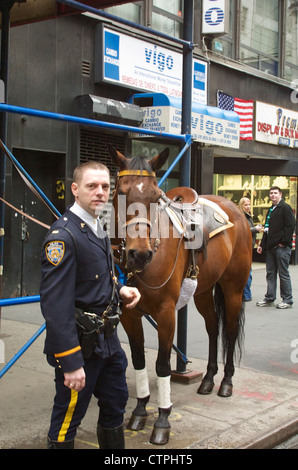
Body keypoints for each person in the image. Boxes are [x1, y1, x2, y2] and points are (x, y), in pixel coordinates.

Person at [40, 160, 141, 449]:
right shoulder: (64, 236)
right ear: (75, 189)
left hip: (107, 343)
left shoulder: (97, 225)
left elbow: (96, 276)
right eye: (92, 186)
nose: (100, 192)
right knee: (68, 418)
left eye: (105, 187)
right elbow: (55, 306)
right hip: (80, 347)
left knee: (115, 406)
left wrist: (120, 289)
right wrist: (71, 363)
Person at [256, 186, 295, 309]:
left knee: (283, 274)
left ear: (280, 195)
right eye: (271, 193)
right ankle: (269, 298)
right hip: (270, 248)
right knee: (270, 274)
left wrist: (283, 242)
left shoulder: (285, 208)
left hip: (281, 248)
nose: (273, 195)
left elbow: (291, 226)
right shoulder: (271, 209)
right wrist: (262, 245)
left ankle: (287, 300)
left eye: (275, 193)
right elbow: (266, 229)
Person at [238, 197, 263, 301]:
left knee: (247, 272)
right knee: (247, 272)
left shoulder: (248, 216)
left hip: (248, 247)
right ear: (241, 205)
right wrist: (255, 229)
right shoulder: (241, 216)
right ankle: (246, 295)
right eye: (246, 205)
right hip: (243, 247)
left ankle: (245, 294)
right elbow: (243, 230)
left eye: (249, 205)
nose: (248, 207)